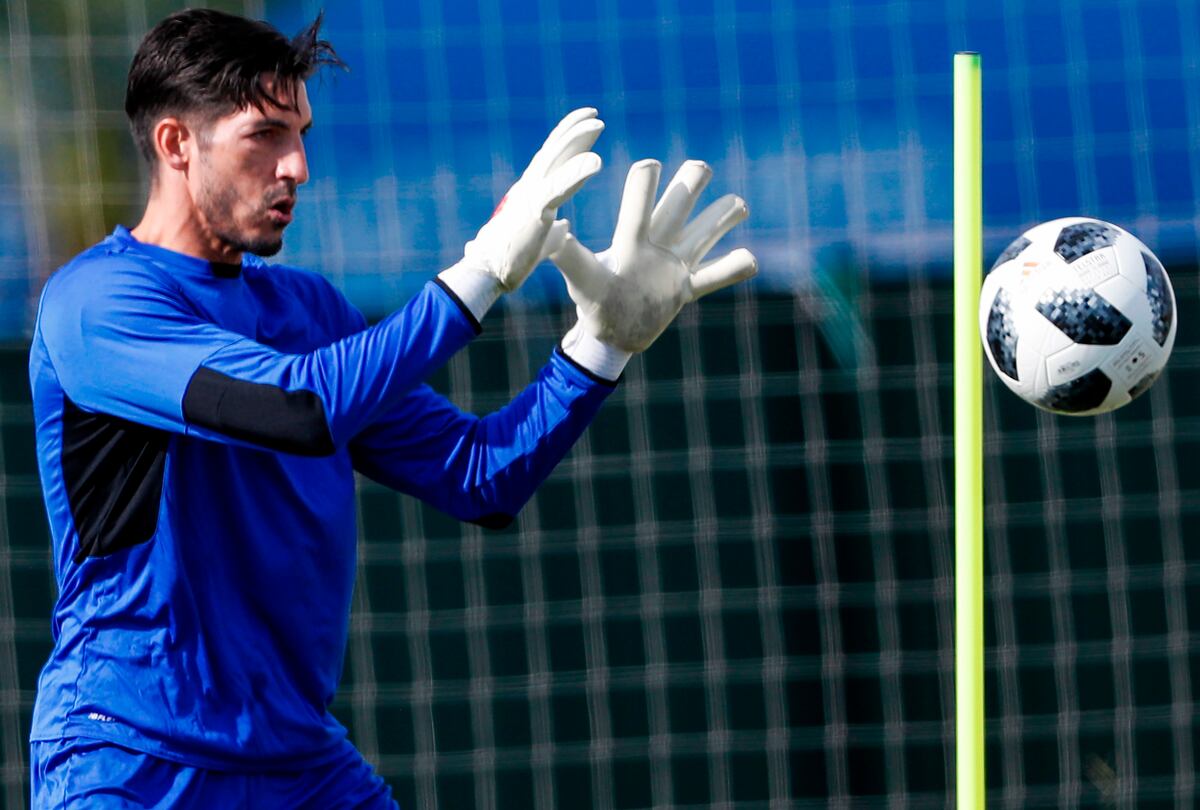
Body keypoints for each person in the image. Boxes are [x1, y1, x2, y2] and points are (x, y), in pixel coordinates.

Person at [27, 8, 756, 809]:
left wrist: (599, 348)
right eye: (265, 135)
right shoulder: (98, 304)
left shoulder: (309, 308)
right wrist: (481, 270)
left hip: (302, 764)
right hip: (132, 760)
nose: (298, 166)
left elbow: (479, 477)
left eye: (301, 134)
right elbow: (299, 409)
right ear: (175, 143)